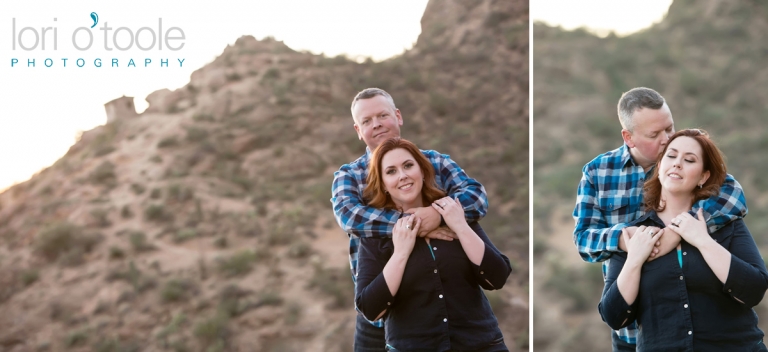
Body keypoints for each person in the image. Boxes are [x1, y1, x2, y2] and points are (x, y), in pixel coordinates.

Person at [572, 87, 748, 351]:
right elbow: (584, 238)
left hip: (691, 319)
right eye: (655, 135)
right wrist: (625, 239)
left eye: (669, 127)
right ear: (628, 137)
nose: (667, 139)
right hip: (630, 325)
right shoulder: (597, 172)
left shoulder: (682, 161)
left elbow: (733, 194)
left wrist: (676, 231)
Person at [331, 88, 489, 351]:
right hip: (377, 313)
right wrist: (417, 225)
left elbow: (477, 197)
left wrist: (436, 214)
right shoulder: (350, 175)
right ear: (358, 131)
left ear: (398, 116)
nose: (377, 124)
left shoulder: (435, 162)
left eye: (383, 115)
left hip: (436, 312)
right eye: (367, 121)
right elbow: (350, 216)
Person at [599, 129, 768, 351]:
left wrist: (703, 241)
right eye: (671, 156)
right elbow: (613, 316)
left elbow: (754, 290)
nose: (677, 163)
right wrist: (634, 261)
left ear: (703, 177)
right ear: (659, 168)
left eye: (689, 160)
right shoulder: (634, 235)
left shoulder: (728, 224)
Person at [355, 137, 510, 351]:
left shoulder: (452, 211)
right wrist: (400, 253)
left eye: (408, 166)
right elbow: (370, 309)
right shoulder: (375, 235)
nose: (403, 176)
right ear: (383, 184)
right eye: (391, 171)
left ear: (422, 171)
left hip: (481, 345)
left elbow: (497, 277)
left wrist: (460, 227)